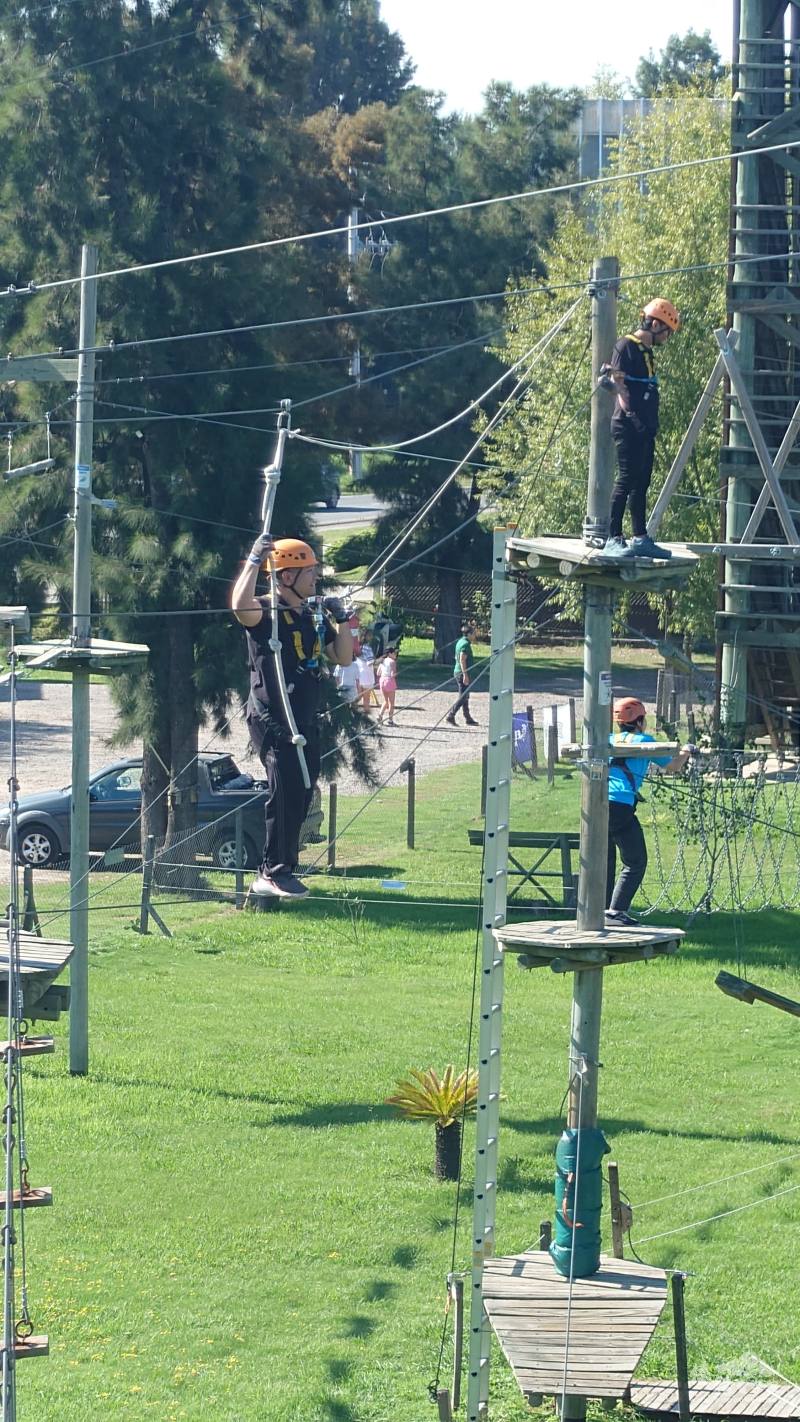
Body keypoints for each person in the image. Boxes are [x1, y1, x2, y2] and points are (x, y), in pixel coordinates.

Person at [231, 533, 353, 899]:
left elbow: (343, 656)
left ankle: (285, 867)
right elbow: (239, 606)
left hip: (304, 718)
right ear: (287, 576)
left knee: (303, 790)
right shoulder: (265, 613)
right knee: (284, 789)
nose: (315, 578)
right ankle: (273, 871)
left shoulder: (311, 617)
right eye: (309, 572)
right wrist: (255, 560)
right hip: (274, 718)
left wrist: (342, 619)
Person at [603, 298, 681, 561]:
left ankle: (640, 537)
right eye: (667, 331)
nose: (667, 338)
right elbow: (618, 385)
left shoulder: (646, 352)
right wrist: (632, 416)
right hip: (628, 425)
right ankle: (613, 537)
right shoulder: (626, 346)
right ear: (656, 324)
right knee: (626, 479)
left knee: (642, 482)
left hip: (645, 428)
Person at [606, 696, 692, 926]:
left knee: (604, 859)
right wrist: (686, 751)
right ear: (639, 721)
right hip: (621, 805)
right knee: (636, 861)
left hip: (596, 804)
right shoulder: (644, 740)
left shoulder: (608, 739)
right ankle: (615, 912)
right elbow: (673, 766)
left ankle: (599, 910)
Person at [446, 624, 479, 727]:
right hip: (462, 672)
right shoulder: (465, 644)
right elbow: (462, 659)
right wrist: (465, 674)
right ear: (469, 634)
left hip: (459, 671)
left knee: (465, 695)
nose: (475, 635)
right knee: (463, 696)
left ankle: (468, 717)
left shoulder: (460, 641)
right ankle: (451, 715)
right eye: (473, 633)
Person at [376, 647, 397, 725]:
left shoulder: (382, 661)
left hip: (382, 681)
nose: (395, 654)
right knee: (391, 702)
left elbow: (378, 673)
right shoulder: (392, 662)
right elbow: (392, 674)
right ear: (390, 653)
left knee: (385, 701)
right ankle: (390, 720)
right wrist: (396, 673)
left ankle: (380, 716)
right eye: (394, 653)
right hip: (389, 681)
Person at [355, 638, 376, 712]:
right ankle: (366, 714)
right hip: (367, 677)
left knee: (358, 697)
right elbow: (370, 662)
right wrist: (379, 660)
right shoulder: (367, 648)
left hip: (358, 676)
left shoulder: (356, 648)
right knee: (366, 699)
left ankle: (352, 711)